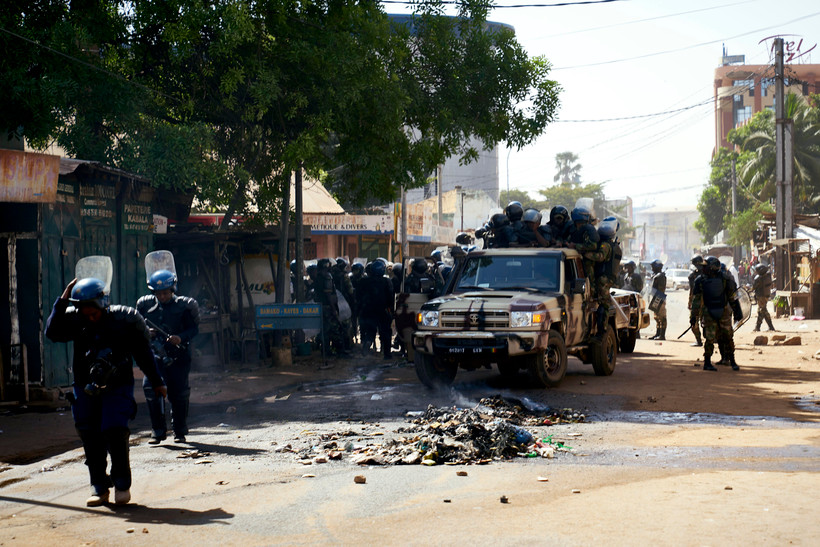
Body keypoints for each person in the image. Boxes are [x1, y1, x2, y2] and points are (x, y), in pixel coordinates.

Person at [45, 277, 167, 507]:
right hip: (85, 386)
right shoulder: (75, 320)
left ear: (103, 304)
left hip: (118, 385)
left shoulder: (124, 320)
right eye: (86, 314)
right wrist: (62, 300)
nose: (90, 318)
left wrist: (157, 381)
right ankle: (99, 487)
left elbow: (143, 353)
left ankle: (122, 484)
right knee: (89, 433)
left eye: (94, 314)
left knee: (114, 430)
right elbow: (52, 332)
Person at [136, 269, 200, 444]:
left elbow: (194, 329)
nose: (162, 296)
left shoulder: (184, 306)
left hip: (179, 356)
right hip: (154, 356)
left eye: (165, 293)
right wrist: (146, 331)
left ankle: (179, 431)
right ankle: (157, 431)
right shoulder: (145, 305)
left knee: (179, 393)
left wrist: (181, 337)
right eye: (158, 293)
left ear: (172, 290)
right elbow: (137, 326)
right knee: (151, 389)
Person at [690, 255, 743, 371]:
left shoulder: (725, 279)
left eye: (706, 266)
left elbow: (732, 297)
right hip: (708, 312)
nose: (703, 268)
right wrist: (694, 316)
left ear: (712, 267)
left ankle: (732, 360)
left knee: (728, 337)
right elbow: (696, 300)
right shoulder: (700, 280)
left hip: (723, 311)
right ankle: (707, 362)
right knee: (709, 338)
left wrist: (737, 311)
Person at [584, 217, 622, 338]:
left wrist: (585, 254)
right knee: (602, 303)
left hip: (604, 279)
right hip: (606, 278)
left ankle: (602, 331)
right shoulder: (611, 244)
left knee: (604, 305)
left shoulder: (606, 245)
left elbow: (600, 257)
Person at [358, 259, 395, 359]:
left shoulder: (364, 281)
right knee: (385, 333)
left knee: (370, 332)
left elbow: (358, 296)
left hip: (368, 311)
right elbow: (390, 297)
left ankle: (366, 348)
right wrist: (391, 310)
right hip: (383, 311)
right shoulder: (386, 282)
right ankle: (387, 354)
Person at [314, 258, 346, 356]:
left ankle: (326, 351)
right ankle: (339, 351)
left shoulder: (318, 277)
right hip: (328, 307)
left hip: (321, 307)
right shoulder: (327, 277)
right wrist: (333, 309)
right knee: (335, 329)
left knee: (325, 330)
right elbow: (328, 295)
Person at [752, 263, 776, 332]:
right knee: (764, 311)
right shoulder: (767, 276)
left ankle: (758, 327)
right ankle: (770, 327)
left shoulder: (758, 278)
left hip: (761, 296)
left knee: (761, 311)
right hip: (766, 295)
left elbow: (754, 287)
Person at [687, 255, 705, 347]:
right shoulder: (709, 273)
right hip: (707, 302)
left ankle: (699, 340)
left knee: (694, 321)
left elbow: (692, 291)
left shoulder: (694, 276)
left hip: (698, 302)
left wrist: (690, 302)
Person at [648, 259, 667, 340]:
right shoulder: (655, 275)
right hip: (655, 297)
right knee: (656, 317)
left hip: (659, 297)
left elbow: (660, 289)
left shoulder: (660, 276)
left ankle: (662, 335)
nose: (652, 268)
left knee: (661, 317)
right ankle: (658, 333)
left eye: (653, 266)